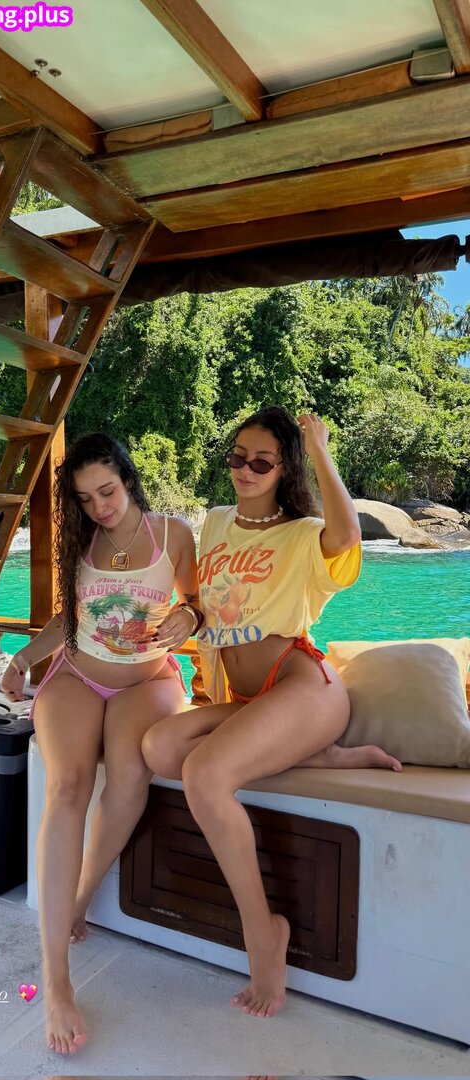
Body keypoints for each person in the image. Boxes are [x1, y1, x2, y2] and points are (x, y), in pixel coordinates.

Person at [141, 406, 402, 1022]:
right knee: (159, 747)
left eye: (262, 461)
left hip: (302, 686)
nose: (246, 469)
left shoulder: (305, 534)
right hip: (247, 700)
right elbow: (208, 605)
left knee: (206, 774)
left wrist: (320, 448)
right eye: (238, 456)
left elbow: (348, 536)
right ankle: (319, 757)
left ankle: (263, 933)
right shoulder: (215, 522)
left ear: (285, 469)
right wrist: (187, 616)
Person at [0, 434, 200, 1055]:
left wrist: (189, 617)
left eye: (107, 492)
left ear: (129, 480)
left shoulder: (174, 535)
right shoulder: (81, 541)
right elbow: (70, 619)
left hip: (148, 679)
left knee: (131, 774)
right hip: (77, 675)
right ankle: (55, 977)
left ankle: (80, 897)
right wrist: (23, 659)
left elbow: (198, 605)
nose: (99, 507)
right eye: (85, 499)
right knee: (67, 786)